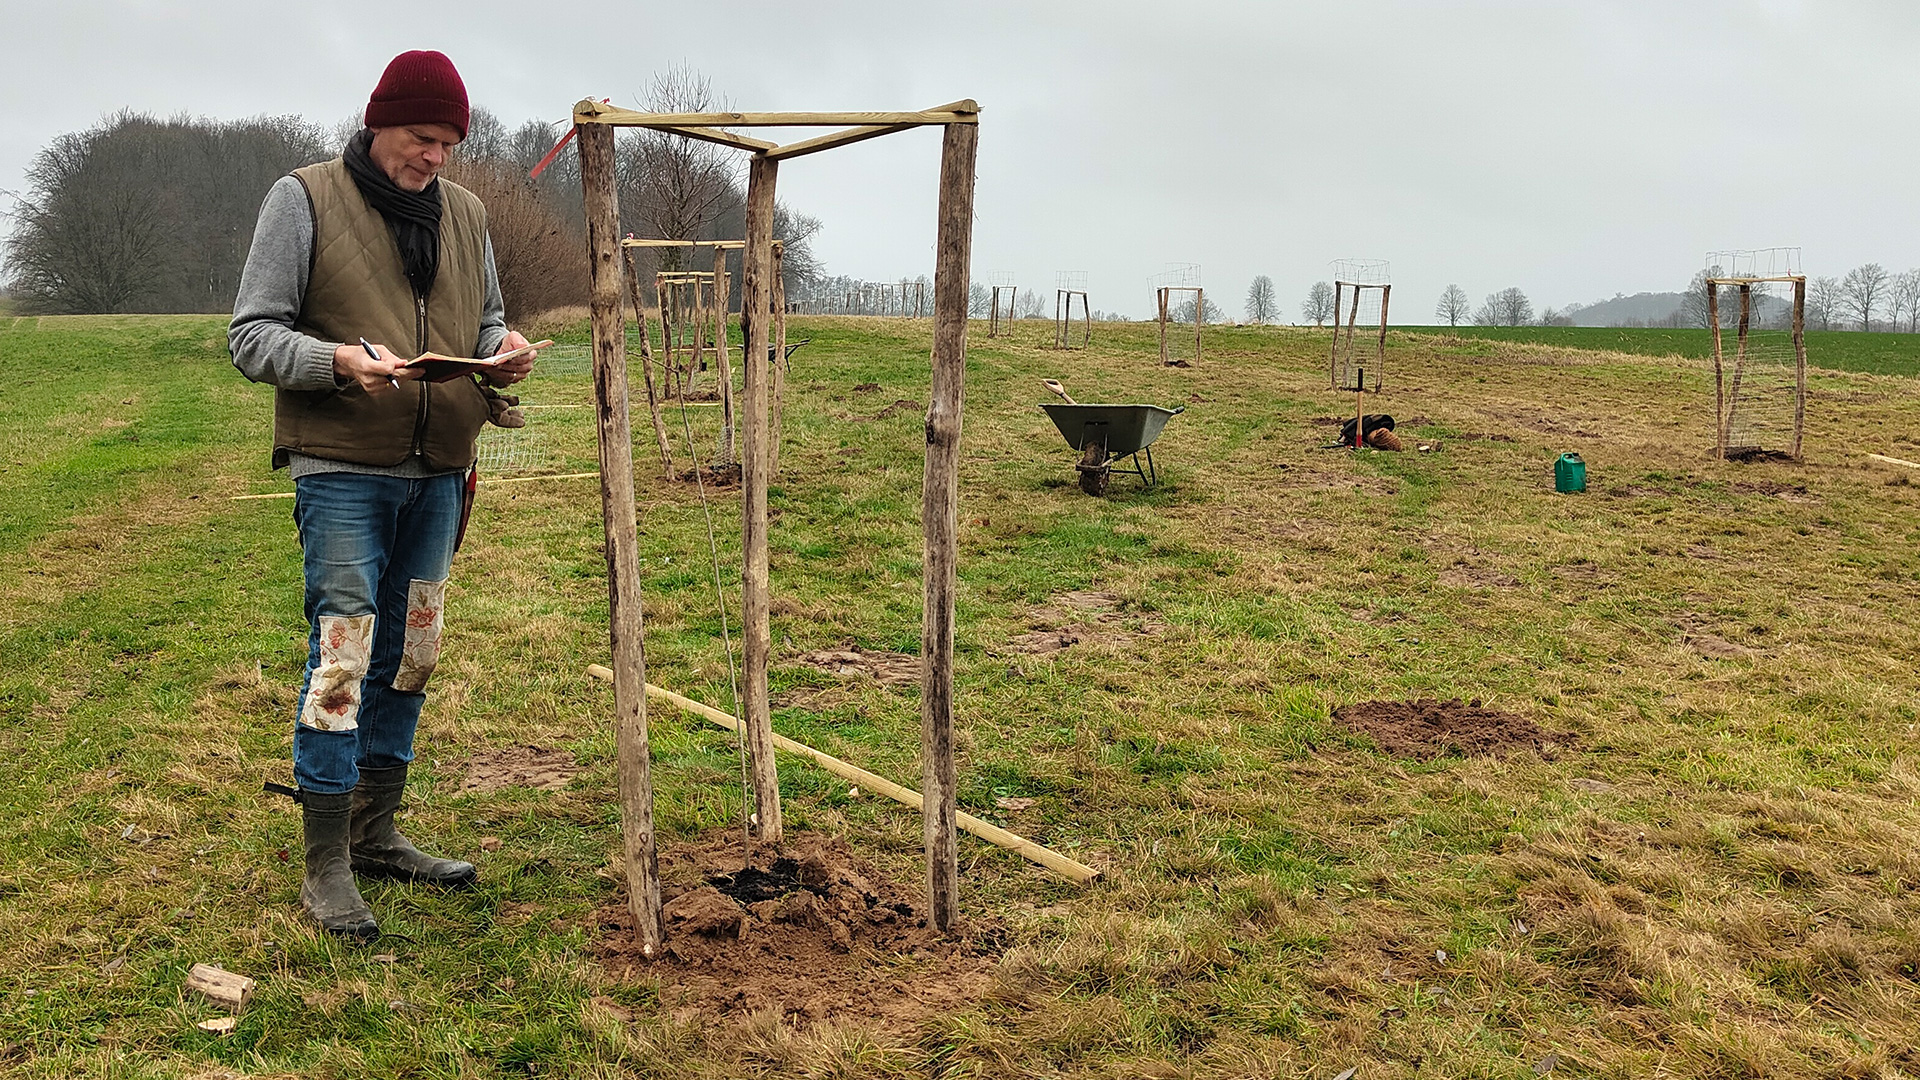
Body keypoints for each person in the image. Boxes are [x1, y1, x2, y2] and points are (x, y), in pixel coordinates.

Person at [229, 49, 538, 940]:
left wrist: (501, 348)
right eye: (419, 137)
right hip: (342, 470)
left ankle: (375, 833)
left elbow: (482, 317)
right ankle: (326, 862)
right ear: (378, 123)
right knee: (344, 652)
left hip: (439, 470)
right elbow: (251, 336)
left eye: (447, 142)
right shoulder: (304, 198)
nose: (433, 156)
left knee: (413, 654)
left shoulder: (468, 214)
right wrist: (335, 363)